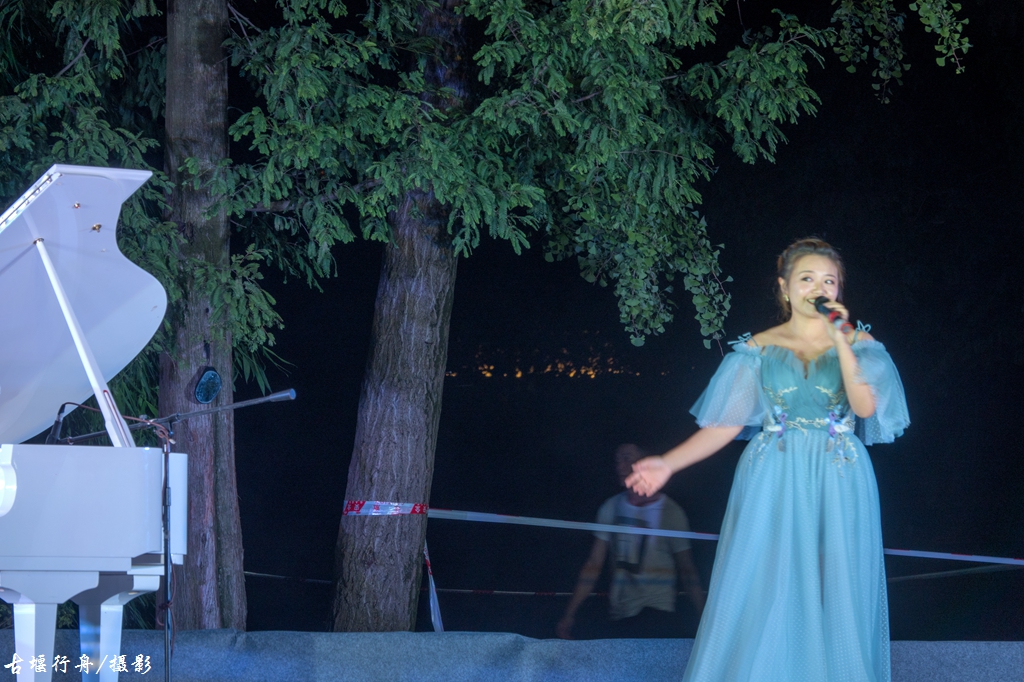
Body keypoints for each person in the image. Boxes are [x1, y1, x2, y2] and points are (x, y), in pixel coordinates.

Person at [627, 238, 909, 681]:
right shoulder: (756, 349)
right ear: (784, 287)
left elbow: (865, 407)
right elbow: (725, 425)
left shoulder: (860, 343)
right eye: (807, 278)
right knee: (770, 581)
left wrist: (842, 341)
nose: (819, 288)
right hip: (774, 473)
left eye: (829, 281)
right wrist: (667, 464)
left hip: (838, 472)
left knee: (835, 582)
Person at [557, 444, 706, 640]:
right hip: (621, 613)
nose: (620, 466)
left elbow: (687, 570)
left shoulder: (671, 512)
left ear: (645, 462)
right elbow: (593, 564)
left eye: (627, 458)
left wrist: (705, 618)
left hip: (658, 613)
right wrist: (569, 614)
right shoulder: (611, 507)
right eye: (617, 461)